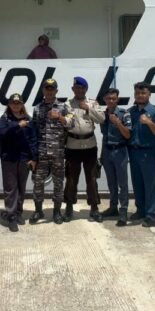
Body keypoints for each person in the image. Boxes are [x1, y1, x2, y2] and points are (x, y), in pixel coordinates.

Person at [31, 78, 74, 224]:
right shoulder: (37, 108)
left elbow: (71, 124)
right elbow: (34, 131)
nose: (49, 91)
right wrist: (33, 155)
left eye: (52, 89)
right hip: (41, 153)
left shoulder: (63, 107)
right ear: (43, 90)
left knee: (58, 183)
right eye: (47, 88)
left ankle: (56, 212)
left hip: (58, 153)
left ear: (56, 91)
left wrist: (60, 117)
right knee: (38, 183)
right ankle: (38, 211)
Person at [63, 76, 105, 223]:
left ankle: (94, 208)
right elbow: (67, 121)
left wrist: (89, 109)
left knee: (92, 179)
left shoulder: (93, 103)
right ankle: (68, 207)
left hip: (89, 146)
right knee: (71, 179)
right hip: (73, 145)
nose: (79, 90)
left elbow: (101, 119)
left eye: (81, 88)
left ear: (85, 89)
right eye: (76, 88)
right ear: (73, 89)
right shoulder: (67, 104)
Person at [127, 82, 155, 227]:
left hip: (150, 152)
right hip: (134, 151)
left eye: (143, 93)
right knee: (137, 183)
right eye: (137, 93)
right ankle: (141, 210)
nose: (140, 96)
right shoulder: (131, 111)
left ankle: (151, 214)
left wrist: (149, 122)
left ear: (149, 94)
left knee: (150, 184)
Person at [0, 93, 38, 232]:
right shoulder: (5, 119)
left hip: (24, 159)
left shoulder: (28, 119)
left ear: (22, 104)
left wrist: (34, 158)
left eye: (18, 103)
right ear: (9, 104)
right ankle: (11, 216)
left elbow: (33, 140)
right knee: (10, 188)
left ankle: (18, 212)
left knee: (21, 188)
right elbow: (2, 133)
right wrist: (17, 125)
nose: (16, 105)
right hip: (9, 158)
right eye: (13, 103)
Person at [99, 88, 132, 226]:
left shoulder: (124, 113)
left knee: (122, 183)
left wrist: (118, 122)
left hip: (120, 151)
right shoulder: (102, 115)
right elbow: (104, 136)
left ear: (117, 99)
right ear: (105, 100)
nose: (111, 101)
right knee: (111, 182)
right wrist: (101, 155)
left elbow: (128, 135)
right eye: (108, 98)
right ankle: (113, 208)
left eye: (113, 98)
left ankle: (123, 211)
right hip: (107, 151)